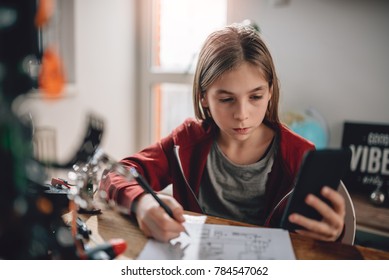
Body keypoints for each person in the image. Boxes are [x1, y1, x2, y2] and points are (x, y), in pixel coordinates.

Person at [100, 23, 345, 243]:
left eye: (255, 97)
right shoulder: (185, 142)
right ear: (203, 97)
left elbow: (321, 236)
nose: (242, 113)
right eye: (227, 99)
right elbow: (115, 174)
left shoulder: (300, 154)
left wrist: (335, 233)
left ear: (270, 91)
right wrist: (142, 204)